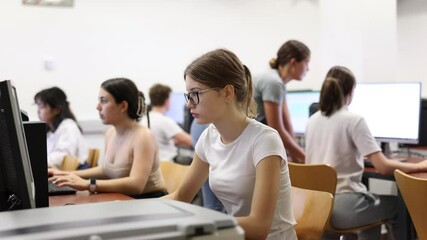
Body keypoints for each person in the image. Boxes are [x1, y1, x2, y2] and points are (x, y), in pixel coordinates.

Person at [164, 49, 296, 240]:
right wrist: (133, 209)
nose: (189, 104)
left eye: (195, 94)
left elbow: (259, 227)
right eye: (188, 95)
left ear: (227, 92)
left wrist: (196, 223)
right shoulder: (209, 137)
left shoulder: (264, 140)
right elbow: (180, 197)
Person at [305, 66, 427, 239]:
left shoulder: (312, 120)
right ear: (351, 91)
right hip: (343, 208)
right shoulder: (353, 120)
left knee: (369, 207)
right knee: (398, 206)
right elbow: (383, 167)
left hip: (318, 205)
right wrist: (420, 165)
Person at [49, 78, 167, 198]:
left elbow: (136, 185)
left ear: (123, 106)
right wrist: (67, 174)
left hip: (149, 202)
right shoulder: (110, 133)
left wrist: (89, 184)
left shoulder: (143, 136)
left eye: (104, 101)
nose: (98, 107)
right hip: (124, 200)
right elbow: (107, 171)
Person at [253, 40, 310, 163]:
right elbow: (277, 130)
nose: (308, 68)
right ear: (293, 62)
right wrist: (307, 159)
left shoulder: (278, 82)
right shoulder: (273, 82)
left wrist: (298, 159)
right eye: (306, 62)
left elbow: (287, 124)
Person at [34, 87, 88, 169]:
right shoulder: (50, 131)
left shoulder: (68, 126)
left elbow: (61, 156)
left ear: (57, 109)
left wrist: (36, 164)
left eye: (42, 106)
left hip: (76, 173)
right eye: (37, 106)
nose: (38, 111)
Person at [147, 83, 192, 162]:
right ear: (166, 101)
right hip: (167, 164)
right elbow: (190, 141)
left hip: (154, 162)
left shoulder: (145, 119)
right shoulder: (164, 121)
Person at [189, 120, 225, 213]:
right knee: (215, 207)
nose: (189, 105)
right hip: (207, 123)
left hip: (197, 125)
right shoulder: (207, 133)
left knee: (212, 206)